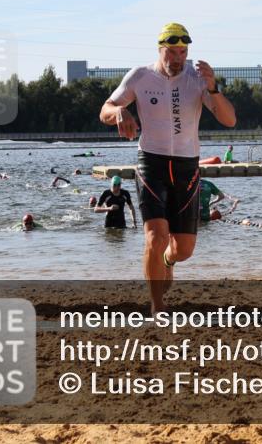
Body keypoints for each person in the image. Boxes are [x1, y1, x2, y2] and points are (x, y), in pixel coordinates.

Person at [100, 22, 237, 314]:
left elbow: (229, 120)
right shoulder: (140, 76)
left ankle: (168, 262)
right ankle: (157, 304)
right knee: (155, 235)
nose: (178, 58)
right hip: (152, 161)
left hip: (187, 165)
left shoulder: (197, 79)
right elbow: (105, 110)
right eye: (172, 52)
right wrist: (121, 111)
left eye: (183, 52)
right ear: (160, 50)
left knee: (183, 249)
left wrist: (213, 87)